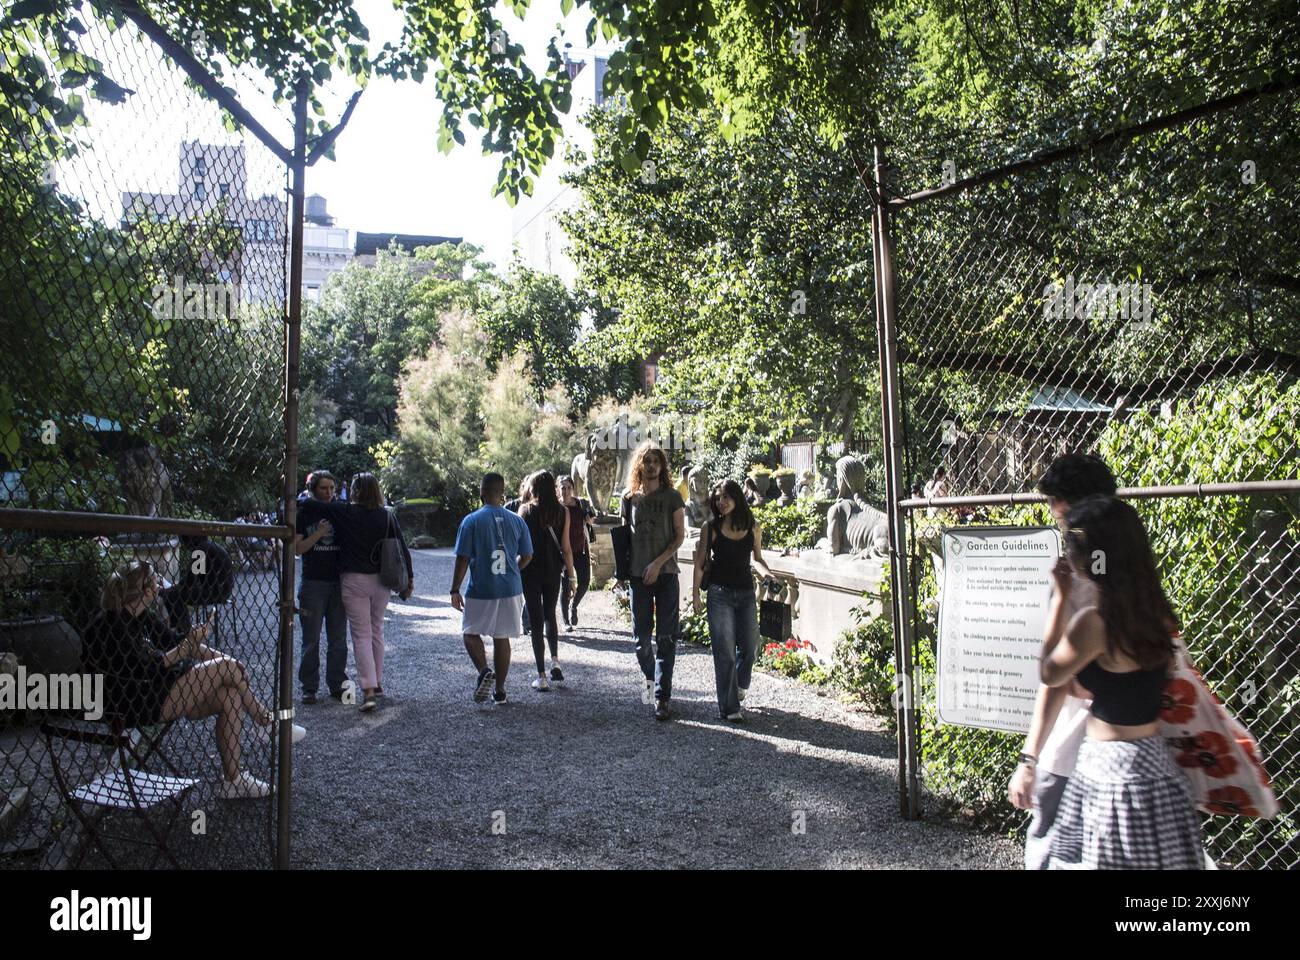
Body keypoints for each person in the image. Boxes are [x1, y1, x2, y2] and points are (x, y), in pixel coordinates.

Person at [1039, 495, 1202, 869]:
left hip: (1108, 772)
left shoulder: (1094, 624)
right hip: (1157, 766)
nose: (1071, 553)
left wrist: (1061, 600)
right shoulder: (1157, 614)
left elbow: (1049, 672)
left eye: (1074, 544)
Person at [81, 560, 304, 800]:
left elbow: (173, 641)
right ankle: (267, 723)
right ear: (148, 590)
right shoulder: (112, 624)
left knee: (229, 695)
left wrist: (222, 657)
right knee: (225, 669)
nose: (159, 584)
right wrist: (197, 651)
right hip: (131, 702)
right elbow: (146, 667)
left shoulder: (140, 614)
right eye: (155, 580)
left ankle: (234, 780)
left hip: (157, 690)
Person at [1007, 453, 1111, 869]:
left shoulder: (1077, 579)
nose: (1056, 519)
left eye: (1059, 509)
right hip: (1124, 754)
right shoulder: (1134, 571)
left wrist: (1028, 761)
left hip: (1069, 751)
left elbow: (1053, 675)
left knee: (1049, 852)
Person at [298, 473, 413, 713]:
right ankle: (377, 683)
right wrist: (409, 579)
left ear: (354, 491)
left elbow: (310, 504)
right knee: (376, 631)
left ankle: (368, 690)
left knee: (360, 635)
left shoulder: (346, 512)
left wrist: (300, 496)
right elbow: (402, 546)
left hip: (353, 580)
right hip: (381, 580)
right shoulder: (386, 516)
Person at [693, 479, 777, 722]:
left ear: (737, 498)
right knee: (725, 651)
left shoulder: (752, 526)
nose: (721, 502)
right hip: (719, 594)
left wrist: (768, 575)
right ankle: (729, 708)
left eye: (726, 497)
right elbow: (700, 563)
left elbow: (757, 559)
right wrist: (696, 594)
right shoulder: (711, 528)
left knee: (751, 646)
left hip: (746, 593)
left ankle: (740, 683)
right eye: (718, 498)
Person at [451, 473, 533, 704]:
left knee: (470, 632)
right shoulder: (517, 520)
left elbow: (462, 558)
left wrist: (454, 589)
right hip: (511, 587)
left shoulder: (471, 521)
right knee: (501, 637)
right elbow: (527, 555)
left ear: (482, 492)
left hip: (482, 587)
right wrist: (514, 569)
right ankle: (500, 690)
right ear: (502, 492)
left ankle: (484, 671)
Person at [620, 442, 686, 721]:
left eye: (655, 462)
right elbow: (623, 538)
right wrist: (621, 575)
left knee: (666, 638)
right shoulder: (629, 498)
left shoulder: (672, 497)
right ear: (639, 465)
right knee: (641, 640)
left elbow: (679, 536)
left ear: (662, 466)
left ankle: (661, 698)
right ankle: (653, 680)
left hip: (666, 573)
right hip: (638, 576)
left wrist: (658, 563)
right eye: (646, 461)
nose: (650, 466)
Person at [294, 469, 350, 704]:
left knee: (338, 638)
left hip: (338, 582)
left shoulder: (340, 510)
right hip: (313, 582)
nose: (328, 493)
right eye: (323, 489)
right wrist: (319, 533)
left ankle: (337, 684)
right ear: (313, 490)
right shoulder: (304, 513)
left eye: (331, 489)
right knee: (311, 639)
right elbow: (298, 549)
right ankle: (309, 687)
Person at [519, 471, 576, 691]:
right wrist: (571, 577)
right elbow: (567, 548)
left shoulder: (525, 510)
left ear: (533, 488)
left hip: (530, 571)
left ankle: (541, 675)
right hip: (553, 571)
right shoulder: (563, 512)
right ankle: (555, 661)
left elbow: (521, 545)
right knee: (550, 615)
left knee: (535, 620)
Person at [160, 533, 234, 633]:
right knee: (172, 593)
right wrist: (177, 587)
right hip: (220, 590)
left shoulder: (201, 549)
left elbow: (190, 581)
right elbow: (192, 578)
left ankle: (182, 632)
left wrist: (173, 588)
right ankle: (180, 629)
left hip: (216, 592)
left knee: (170, 595)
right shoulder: (207, 546)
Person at [558, 475, 596, 630]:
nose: (566, 491)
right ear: (558, 489)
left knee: (585, 581)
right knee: (566, 585)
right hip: (563, 551)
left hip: (581, 549)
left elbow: (592, 520)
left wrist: (589, 517)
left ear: (572, 489)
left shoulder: (581, 503)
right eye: (563, 488)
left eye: (568, 488)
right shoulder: (556, 506)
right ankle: (566, 620)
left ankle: (574, 606)